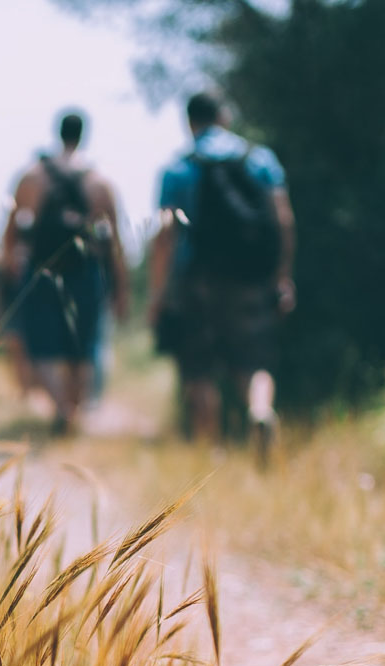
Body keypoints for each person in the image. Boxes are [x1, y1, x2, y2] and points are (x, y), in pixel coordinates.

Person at [148, 92, 296, 460]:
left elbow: (166, 237)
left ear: (189, 121)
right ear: (224, 116)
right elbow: (283, 220)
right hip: (250, 275)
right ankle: (259, 411)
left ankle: (210, 452)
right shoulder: (259, 160)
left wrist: (158, 293)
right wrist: (282, 275)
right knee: (253, 358)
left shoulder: (178, 168)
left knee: (199, 366)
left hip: (197, 278)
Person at [2, 110, 130, 434]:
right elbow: (115, 242)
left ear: (57, 133)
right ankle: (72, 411)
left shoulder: (32, 176)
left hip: (42, 270)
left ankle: (61, 408)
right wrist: (121, 289)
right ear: (84, 134)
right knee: (81, 346)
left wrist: (8, 274)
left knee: (42, 344)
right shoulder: (100, 181)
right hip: (86, 271)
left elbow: (11, 233)